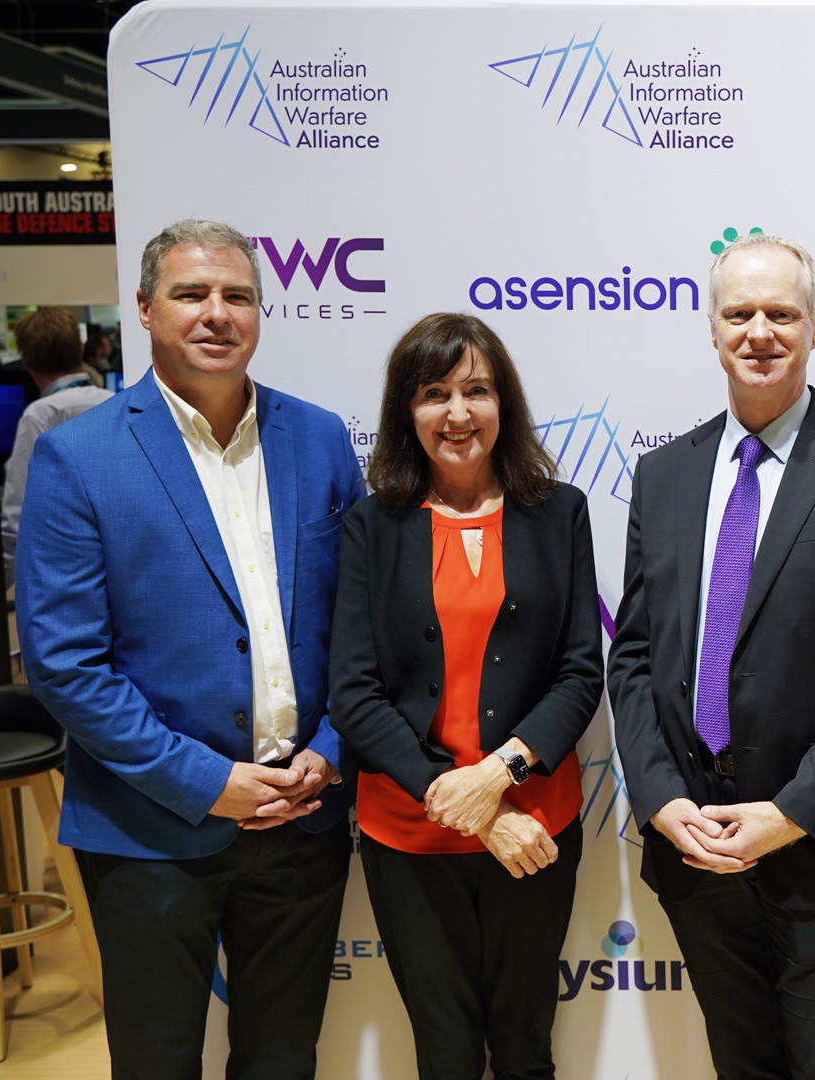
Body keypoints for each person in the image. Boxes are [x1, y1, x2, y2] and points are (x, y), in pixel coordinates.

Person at [15, 219, 364, 1080]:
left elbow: (360, 624)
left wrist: (326, 752)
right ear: (144, 309)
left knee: (283, 1060)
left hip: (303, 815)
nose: (217, 314)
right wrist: (211, 784)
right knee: (159, 1061)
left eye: (237, 296)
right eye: (191, 294)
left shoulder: (319, 440)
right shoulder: (78, 456)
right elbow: (65, 664)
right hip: (150, 832)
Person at [607, 232, 815, 1080]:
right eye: (739, 313)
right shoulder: (663, 474)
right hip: (695, 847)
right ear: (712, 329)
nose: (760, 331)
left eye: (781, 313)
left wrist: (788, 814)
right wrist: (659, 800)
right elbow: (636, 656)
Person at [329, 313, 602, 1080]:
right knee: (444, 1055)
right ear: (405, 411)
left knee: (523, 1049)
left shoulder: (560, 513)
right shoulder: (371, 528)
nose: (457, 414)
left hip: (535, 825)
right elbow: (353, 695)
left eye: (477, 391)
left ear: (503, 403)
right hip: (409, 835)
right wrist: (462, 798)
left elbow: (581, 671)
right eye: (434, 393)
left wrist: (500, 778)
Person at [0, 306, 112, 586]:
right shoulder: (115, 400)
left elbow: (17, 513)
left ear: (24, 359)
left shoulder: (39, 414)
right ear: (81, 348)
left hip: (64, 569)